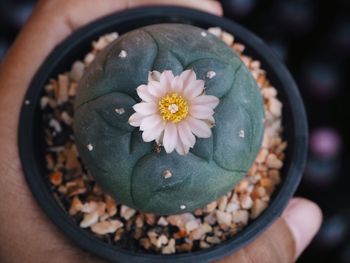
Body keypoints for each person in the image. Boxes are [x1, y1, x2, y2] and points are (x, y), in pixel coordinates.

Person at [0, 1, 322, 262]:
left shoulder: (187, 102)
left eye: (174, 106)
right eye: (172, 105)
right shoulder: (160, 102)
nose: (172, 107)